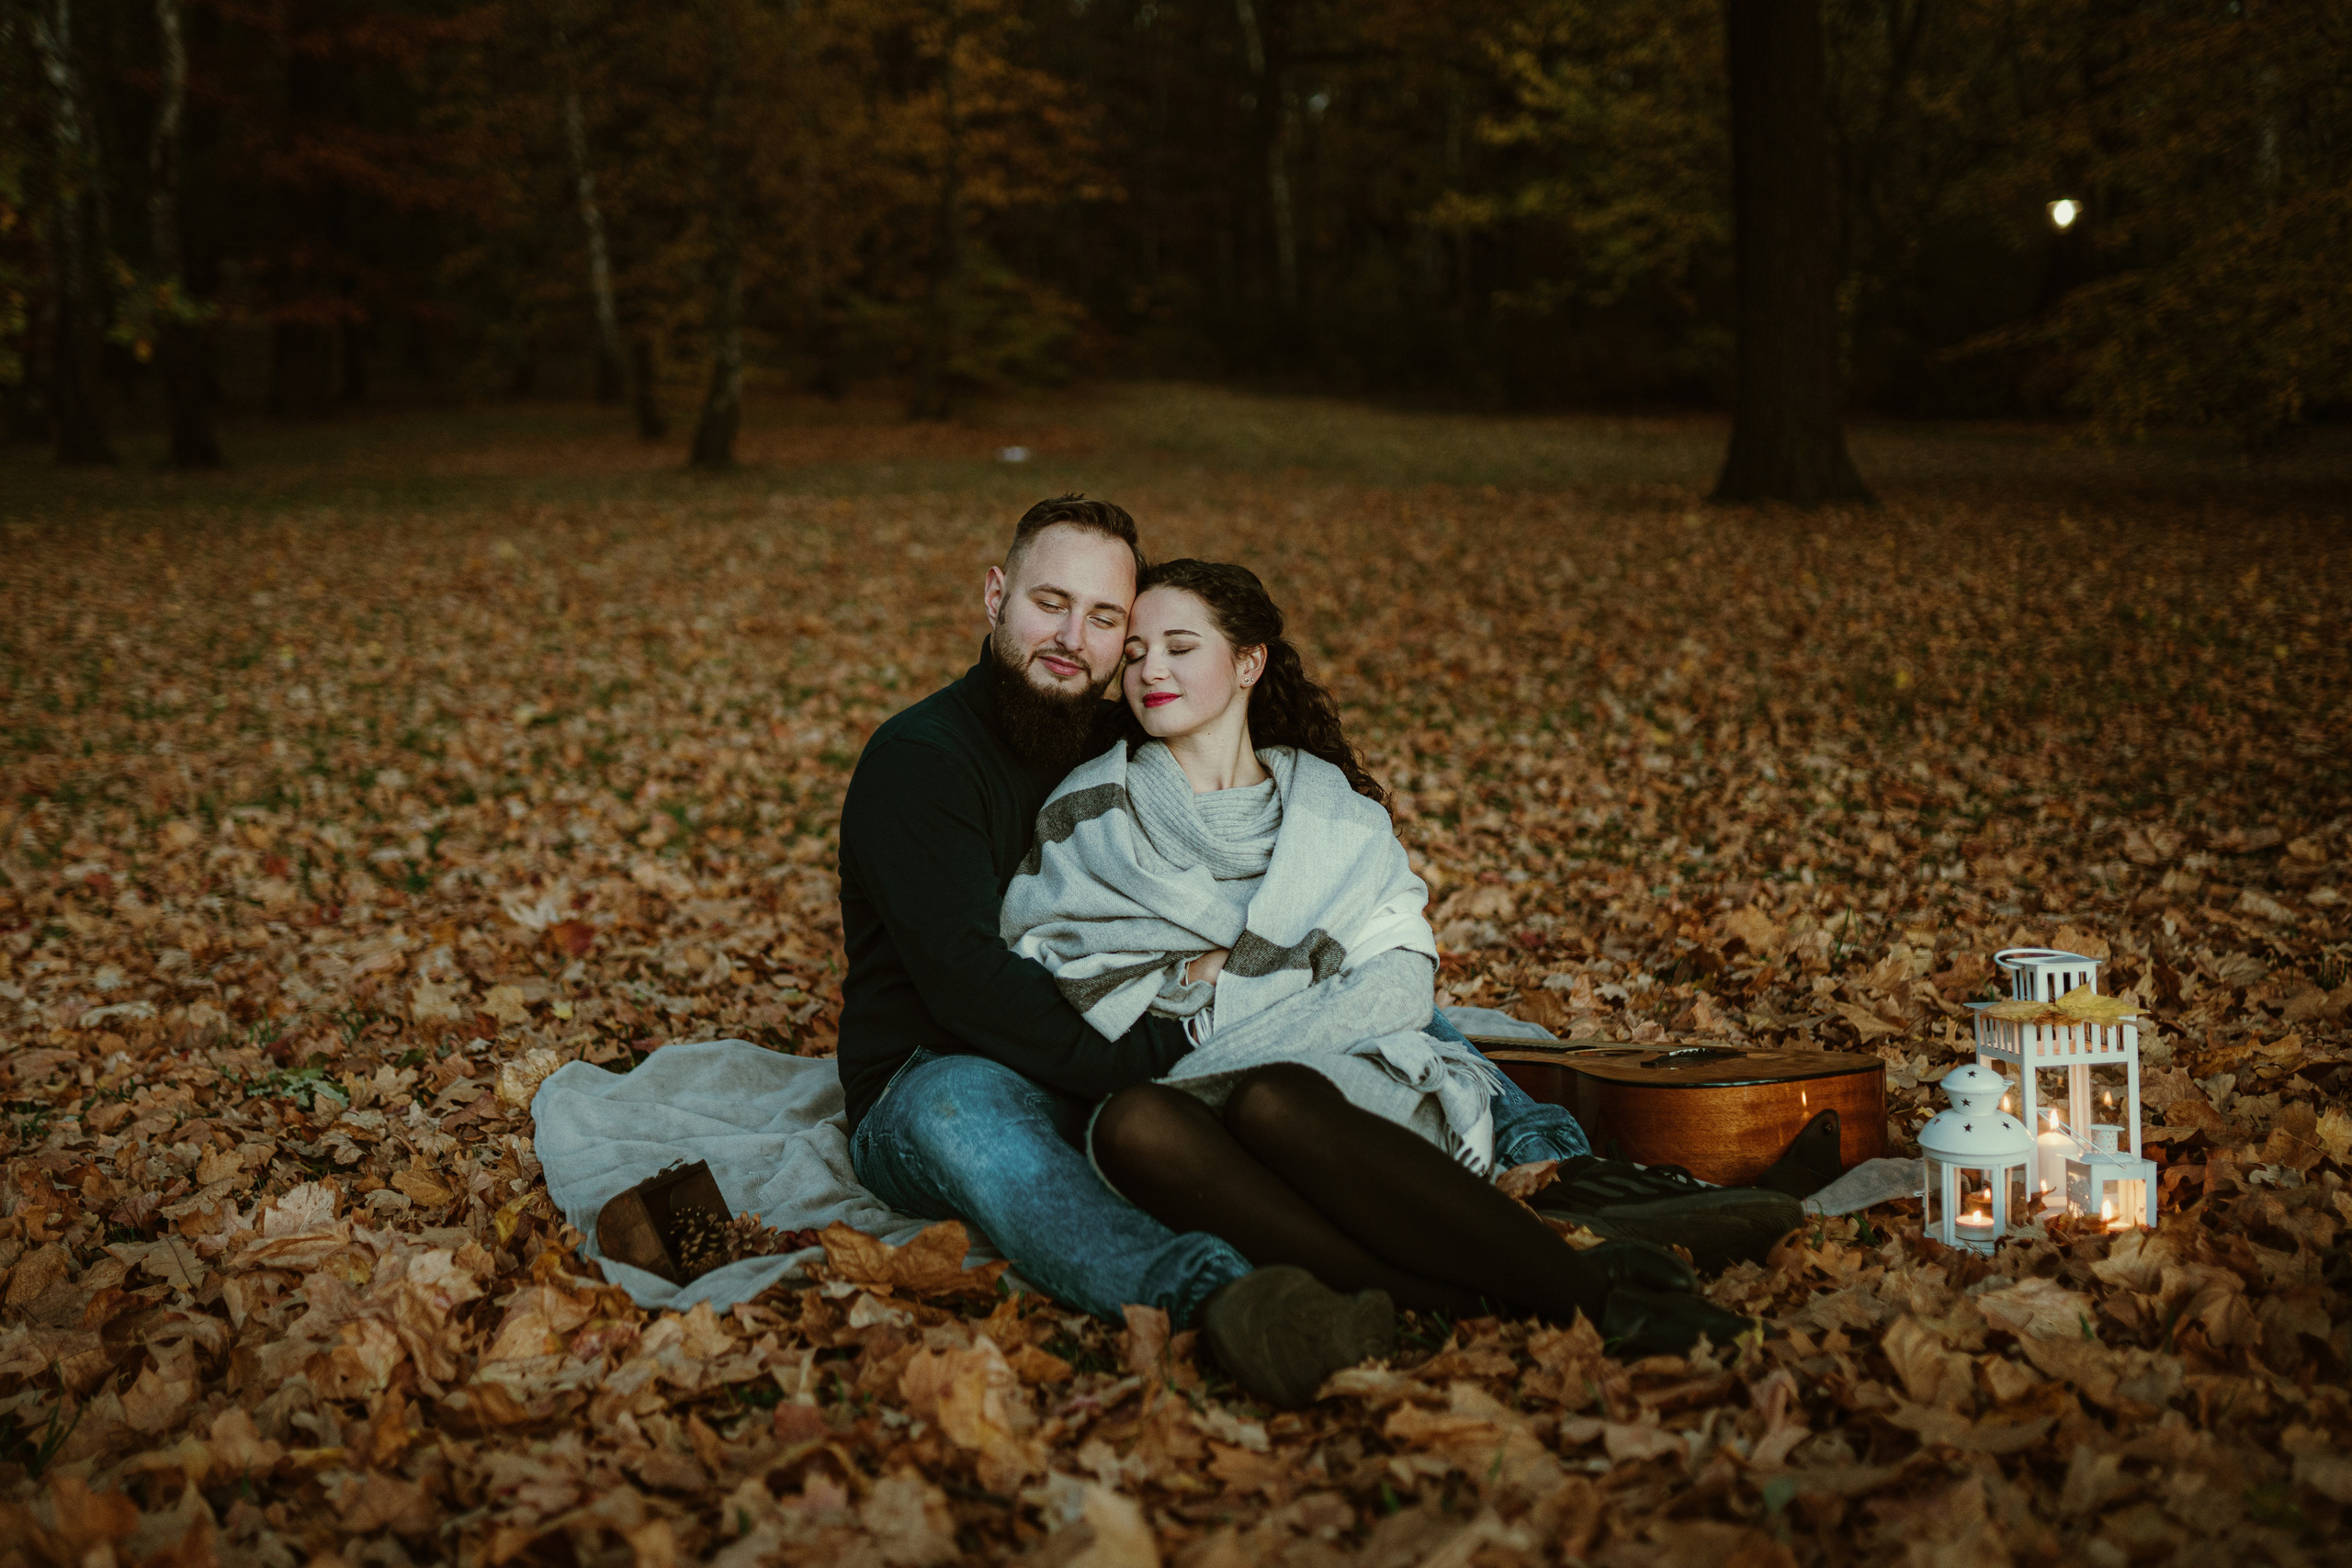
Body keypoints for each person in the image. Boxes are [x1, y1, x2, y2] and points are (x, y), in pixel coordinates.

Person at [834, 498, 1786, 1409]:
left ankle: (1558, 1175)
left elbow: (1262, 825)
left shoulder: (1109, 715)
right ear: (995, 595)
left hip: (1115, 1028)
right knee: (975, 1111)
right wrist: (1188, 1041)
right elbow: (970, 986)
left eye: (1103, 621)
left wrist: (1248, 985)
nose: (1072, 640)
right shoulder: (924, 760)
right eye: (1049, 604)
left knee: (1328, 967)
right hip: (946, 1060)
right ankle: (1222, 1295)